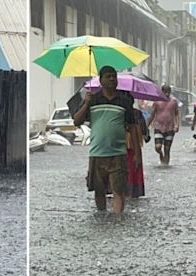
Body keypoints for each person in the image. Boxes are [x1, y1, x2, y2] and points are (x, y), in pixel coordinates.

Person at [74, 66, 141, 214]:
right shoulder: (93, 99)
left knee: (119, 190)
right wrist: (86, 103)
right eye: (108, 76)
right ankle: (102, 217)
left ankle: (116, 221)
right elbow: (76, 121)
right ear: (101, 80)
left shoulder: (124, 101)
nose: (112, 79)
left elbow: (133, 127)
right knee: (99, 191)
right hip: (97, 153)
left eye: (114, 76)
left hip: (118, 153)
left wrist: (137, 154)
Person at [147, 85, 180, 165]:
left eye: (168, 92)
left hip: (170, 128)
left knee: (167, 149)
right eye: (165, 92)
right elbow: (152, 114)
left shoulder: (174, 101)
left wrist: (177, 125)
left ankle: (165, 165)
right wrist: (147, 125)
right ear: (161, 92)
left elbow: (177, 114)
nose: (167, 94)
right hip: (158, 126)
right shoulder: (157, 101)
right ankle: (160, 154)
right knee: (158, 147)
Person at [125, 93, 149, 199]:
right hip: (134, 145)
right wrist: (146, 136)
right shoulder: (137, 113)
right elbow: (144, 128)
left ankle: (126, 190)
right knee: (134, 166)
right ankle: (133, 190)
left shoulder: (122, 112)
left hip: (124, 144)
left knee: (129, 165)